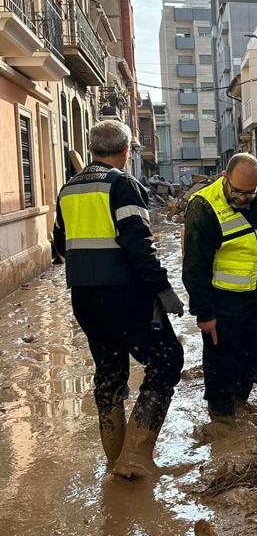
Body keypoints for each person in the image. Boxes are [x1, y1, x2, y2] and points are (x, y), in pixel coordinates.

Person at [53, 120, 185, 479]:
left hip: (84, 300)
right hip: (125, 297)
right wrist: (163, 290)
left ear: (93, 148)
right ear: (126, 151)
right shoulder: (123, 185)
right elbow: (139, 246)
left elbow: (59, 246)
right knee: (168, 360)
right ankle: (135, 459)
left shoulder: (68, 189)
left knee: (109, 373)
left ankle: (114, 463)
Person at [182, 153, 257, 423]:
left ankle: (240, 401)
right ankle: (222, 419)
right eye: (238, 192)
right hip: (221, 299)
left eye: (249, 193)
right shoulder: (203, 206)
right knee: (222, 363)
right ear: (225, 177)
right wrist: (204, 313)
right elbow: (194, 266)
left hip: (254, 295)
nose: (244, 199)